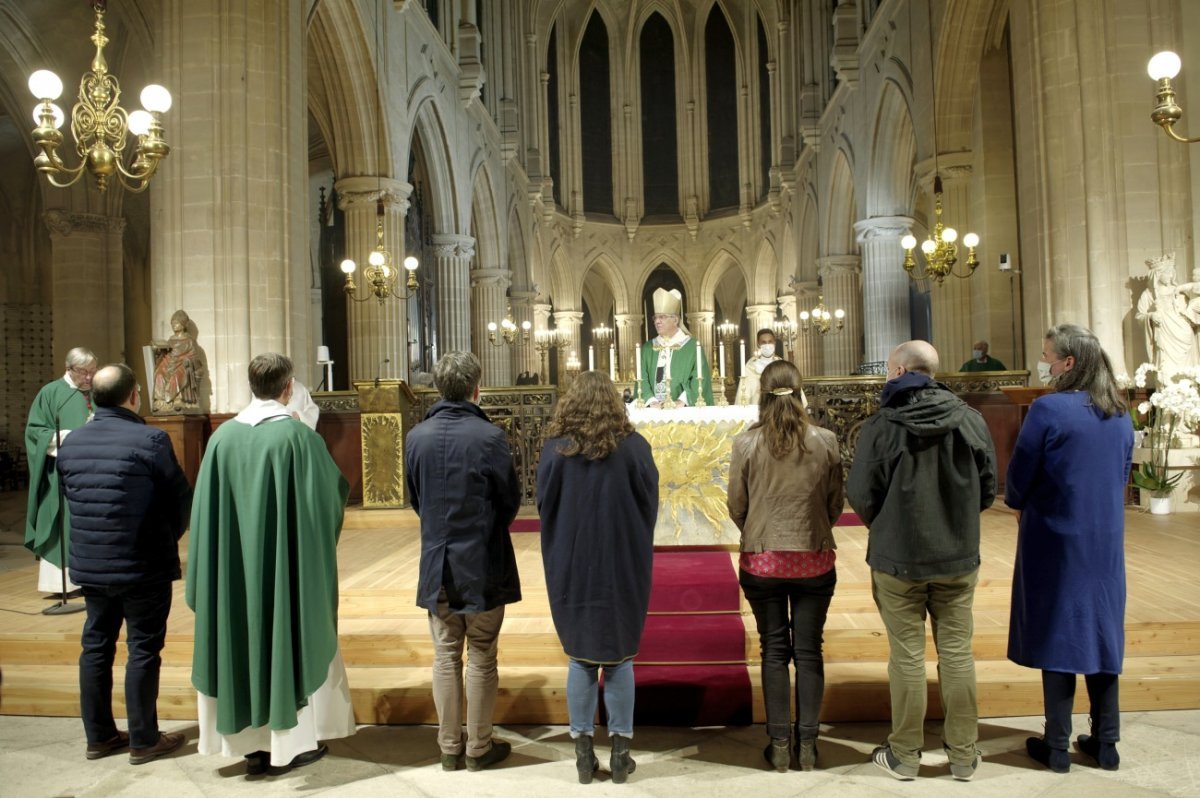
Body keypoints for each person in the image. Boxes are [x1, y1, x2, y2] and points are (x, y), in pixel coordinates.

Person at [187, 353, 353, 775]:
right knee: (286, 627)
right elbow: (328, 501)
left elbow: (203, 514)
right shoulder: (297, 438)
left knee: (239, 634)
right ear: (287, 387)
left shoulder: (222, 439)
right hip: (284, 576)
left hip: (233, 578)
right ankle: (288, 744)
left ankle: (247, 745)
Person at [847, 340, 996, 782]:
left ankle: (906, 755)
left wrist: (888, 523)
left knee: (907, 657)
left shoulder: (883, 424)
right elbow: (988, 487)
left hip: (898, 559)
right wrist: (957, 522)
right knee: (957, 654)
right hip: (956, 555)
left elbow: (860, 493)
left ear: (896, 371)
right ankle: (965, 756)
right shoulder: (970, 419)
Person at [1006, 324, 1134, 774]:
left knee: (1059, 627)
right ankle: (1107, 742)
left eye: (1048, 357)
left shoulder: (1049, 408)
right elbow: (1121, 475)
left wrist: (1018, 503)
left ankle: (1057, 744)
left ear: (1068, 363)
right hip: (1104, 538)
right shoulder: (1120, 411)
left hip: (1055, 536)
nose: (1045, 364)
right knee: (1101, 630)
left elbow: (1021, 471)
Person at [56, 363, 192, 765]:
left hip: (92, 564)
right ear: (134, 396)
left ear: (92, 398)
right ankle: (143, 738)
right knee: (143, 649)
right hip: (142, 564)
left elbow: (70, 493)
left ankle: (98, 737)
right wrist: (168, 536)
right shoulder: (150, 439)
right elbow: (179, 498)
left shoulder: (73, 443)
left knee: (95, 646)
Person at [537, 372, 658, 784]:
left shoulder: (556, 451)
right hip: (622, 561)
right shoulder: (635, 447)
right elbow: (650, 503)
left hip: (572, 561)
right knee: (620, 658)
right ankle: (621, 755)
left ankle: (583, 756)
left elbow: (542, 504)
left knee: (581, 658)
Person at [405, 351, 522, 772]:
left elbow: (416, 499)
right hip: (482, 562)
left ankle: (449, 747)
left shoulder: (416, 436)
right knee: (483, 653)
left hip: (437, 564)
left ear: (439, 387)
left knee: (445, 654)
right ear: (477, 387)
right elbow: (510, 500)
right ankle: (479, 747)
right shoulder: (489, 437)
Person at [727, 360, 842, 772]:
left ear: (762, 392)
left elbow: (736, 506)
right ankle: (808, 746)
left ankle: (778, 746)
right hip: (813, 559)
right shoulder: (825, 440)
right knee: (809, 652)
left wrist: (757, 532)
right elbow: (834, 504)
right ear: (799, 391)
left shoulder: (746, 443)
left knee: (774, 650)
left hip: (763, 560)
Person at [25, 346, 96, 595]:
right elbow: (35, 431)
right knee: (63, 521)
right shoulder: (51, 393)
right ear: (69, 369)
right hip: (63, 471)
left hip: (95, 472)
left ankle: (93, 576)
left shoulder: (98, 392)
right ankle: (61, 582)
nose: (88, 378)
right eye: (83, 372)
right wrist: (66, 437)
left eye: (92, 372)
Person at [636, 288, 714, 407]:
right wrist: (651, 401)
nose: (657, 321)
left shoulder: (692, 346)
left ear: (675, 320)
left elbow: (700, 378)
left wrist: (682, 401)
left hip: (683, 412)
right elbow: (642, 378)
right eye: (655, 317)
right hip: (653, 412)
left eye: (662, 317)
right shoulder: (648, 348)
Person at [1135, 253, 1200, 381]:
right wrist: (1151, 316)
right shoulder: (1149, 294)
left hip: (1183, 329)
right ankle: (1168, 394)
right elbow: (1139, 316)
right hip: (1165, 332)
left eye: (1172, 272)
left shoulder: (1179, 290)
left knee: (1188, 367)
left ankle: (1190, 389)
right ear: (1157, 275)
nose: (1170, 276)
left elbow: (1193, 304)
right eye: (1167, 273)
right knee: (1167, 368)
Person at [152, 309, 202, 413]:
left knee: (177, 375)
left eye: (176, 323)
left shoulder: (189, 340)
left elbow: (195, 359)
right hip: (169, 362)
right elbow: (167, 354)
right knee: (159, 373)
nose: (174, 326)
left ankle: (177, 400)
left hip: (182, 364)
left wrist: (188, 361)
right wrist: (159, 352)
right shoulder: (170, 340)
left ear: (183, 324)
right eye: (172, 323)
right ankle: (160, 401)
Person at [735, 329, 783, 405]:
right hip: (757, 407)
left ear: (775, 343)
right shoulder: (751, 366)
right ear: (758, 344)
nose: (767, 345)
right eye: (763, 342)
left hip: (778, 407)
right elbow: (744, 392)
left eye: (770, 342)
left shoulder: (781, 365)